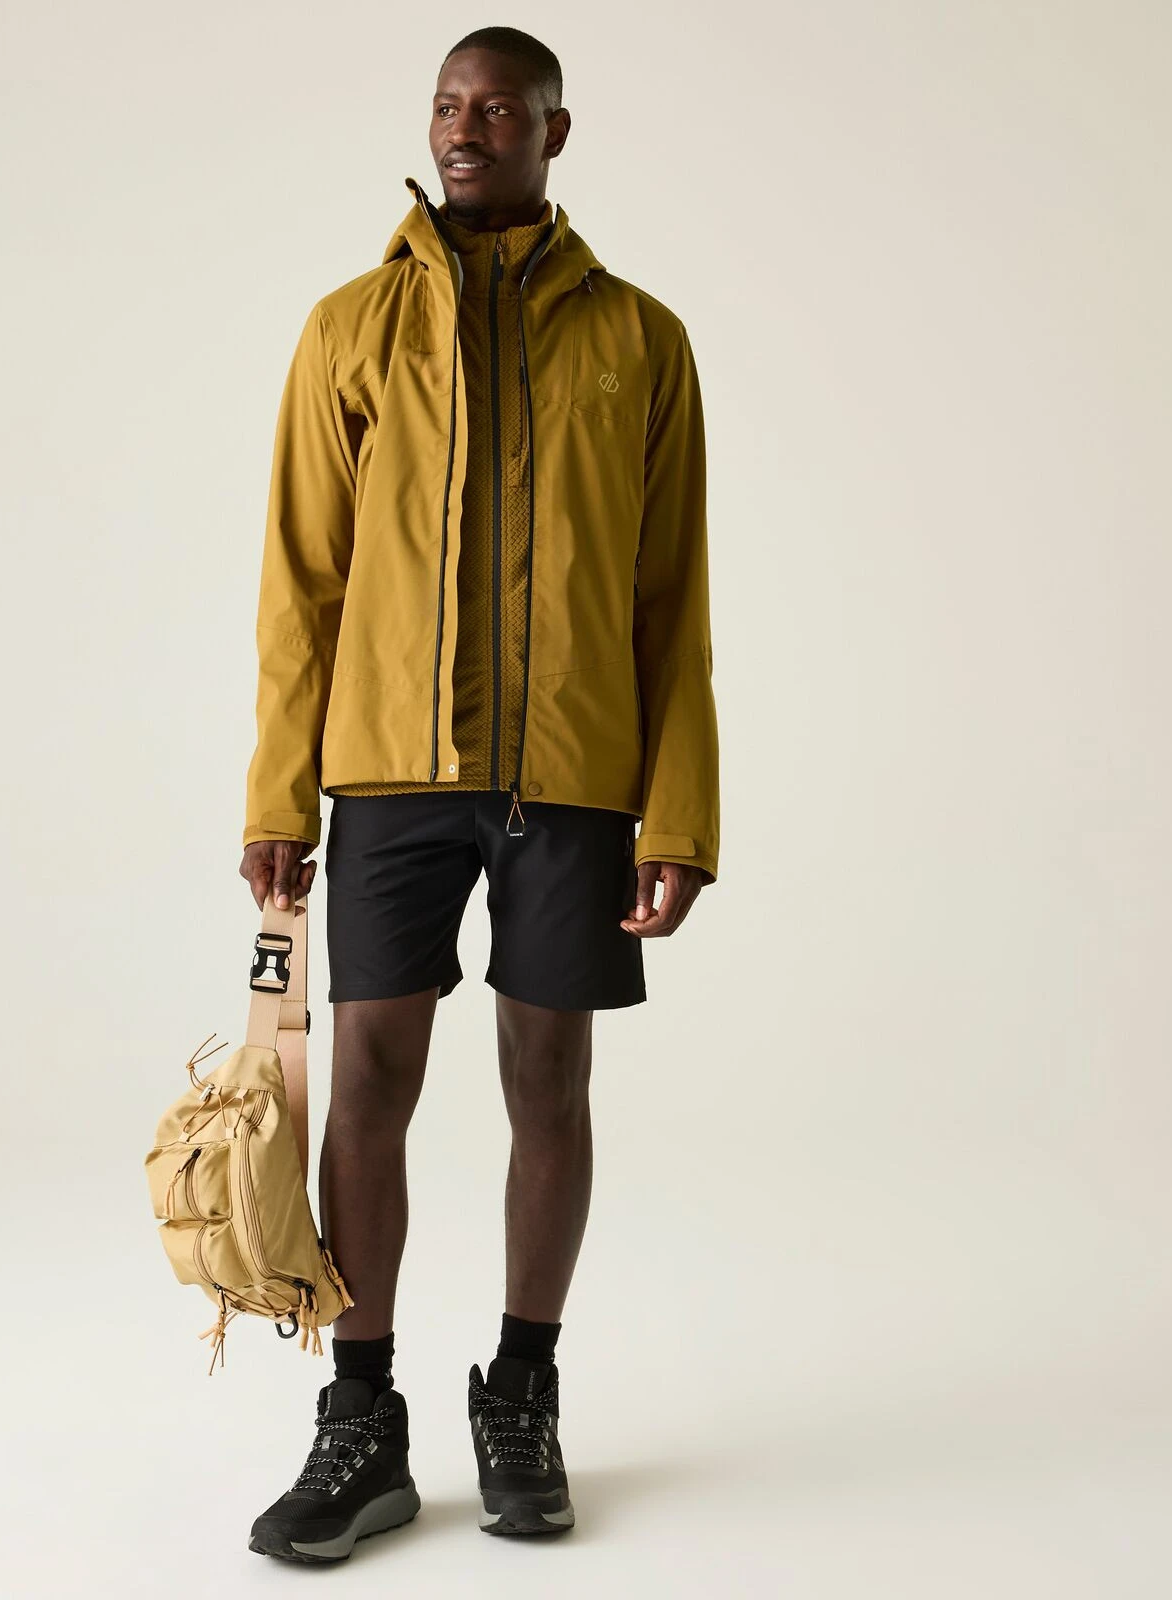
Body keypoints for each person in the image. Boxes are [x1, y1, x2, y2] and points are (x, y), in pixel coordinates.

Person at [237, 25, 719, 1563]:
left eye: (498, 108)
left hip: (572, 778)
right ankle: (361, 1417)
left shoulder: (641, 340)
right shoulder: (350, 328)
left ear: (553, 132)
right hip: (388, 771)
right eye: (448, 105)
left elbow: (672, 600)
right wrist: (278, 791)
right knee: (366, 1082)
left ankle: (523, 1393)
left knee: (547, 1083)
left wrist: (679, 813)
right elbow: (302, 584)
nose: (466, 127)